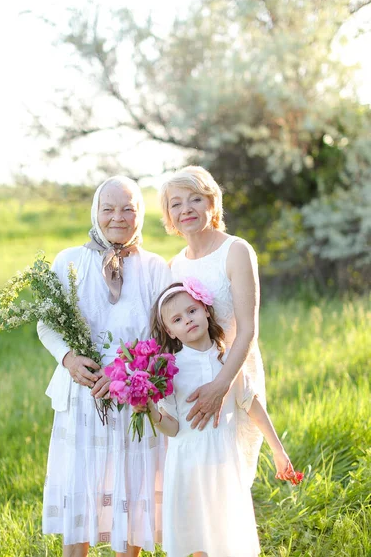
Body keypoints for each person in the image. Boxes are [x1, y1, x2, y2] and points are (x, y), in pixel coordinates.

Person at [37, 176, 171, 557]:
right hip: (82, 393)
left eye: (129, 208)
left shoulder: (155, 268)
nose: (118, 217)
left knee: (131, 483)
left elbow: (166, 336)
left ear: (140, 214)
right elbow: (46, 323)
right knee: (81, 482)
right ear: (95, 212)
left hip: (133, 395)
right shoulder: (69, 261)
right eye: (108, 208)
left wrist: (127, 377)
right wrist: (68, 357)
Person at [133, 280, 299, 557]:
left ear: (206, 311)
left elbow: (251, 404)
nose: (187, 320)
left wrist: (278, 450)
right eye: (177, 319)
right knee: (198, 538)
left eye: (192, 311)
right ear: (169, 331)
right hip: (188, 465)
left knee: (225, 534)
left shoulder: (227, 361)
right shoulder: (169, 370)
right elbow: (172, 428)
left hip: (223, 460)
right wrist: (150, 410)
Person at [160, 165, 265, 482]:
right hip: (192, 381)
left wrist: (221, 386)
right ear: (169, 215)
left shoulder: (235, 251)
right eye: (175, 203)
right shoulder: (174, 265)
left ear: (212, 203)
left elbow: (248, 329)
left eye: (195, 199)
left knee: (232, 473)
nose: (185, 209)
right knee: (198, 475)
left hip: (234, 373)